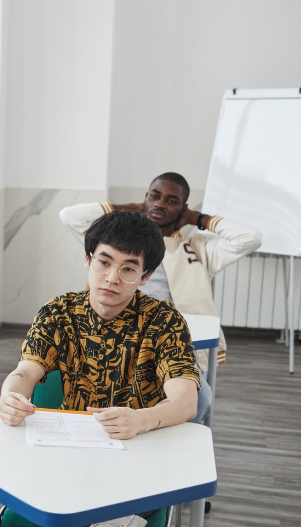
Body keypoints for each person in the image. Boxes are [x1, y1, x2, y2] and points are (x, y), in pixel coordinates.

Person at [0, 210, 200, 527]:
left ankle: (115, 517)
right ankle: (111, 519)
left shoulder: (164, 321)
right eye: (104, 262)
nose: (112, 277)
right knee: (83, 517)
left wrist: (141, 418)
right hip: (79, 450)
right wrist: (11, 394)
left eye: (129, 269)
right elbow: (25, 371)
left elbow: (186, 401)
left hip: (143, 449)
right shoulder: (60, 312)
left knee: (80, 524)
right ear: (88, 259)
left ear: (144, 277)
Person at [59, 171, 262, 423]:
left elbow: (250, 238)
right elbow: (69, 216)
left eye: (171, 201)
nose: (160, 204)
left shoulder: (196, 246)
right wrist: (132, 210)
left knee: (201, 398)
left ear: (183, 209)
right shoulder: (119, 242)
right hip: (114, 333)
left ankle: (166, 439)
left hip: (172, 337)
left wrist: (197, 218)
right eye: (154, 197)